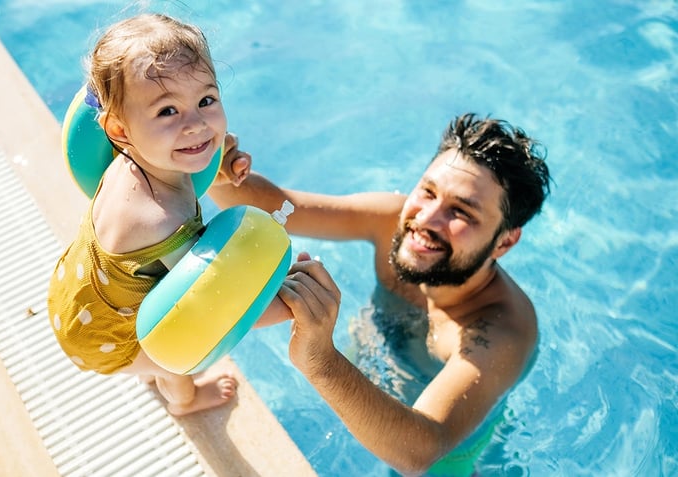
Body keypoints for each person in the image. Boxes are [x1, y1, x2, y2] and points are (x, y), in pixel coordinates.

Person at [212, 113, 551, 475]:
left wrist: (320, 359)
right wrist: (217, 170)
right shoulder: (393, 220)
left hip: (443, 458)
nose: (426, 220)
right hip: (369, 376)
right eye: (428, 191)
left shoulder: (501, 331)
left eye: (461, 212)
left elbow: (421, 451)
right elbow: (276, 205)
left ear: (505, 241)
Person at [46, 13, 283, 417]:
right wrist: (289, 298)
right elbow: (213, 302)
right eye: (167, 111)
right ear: (119, 130)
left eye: (206, 100)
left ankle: (150, 367)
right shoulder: (160, 219)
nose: (196, 125)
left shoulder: (129, 162)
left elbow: (189, 166)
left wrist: (220, 167)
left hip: (75, 297)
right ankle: (183, 404)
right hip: (106, 338)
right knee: (176, 362)